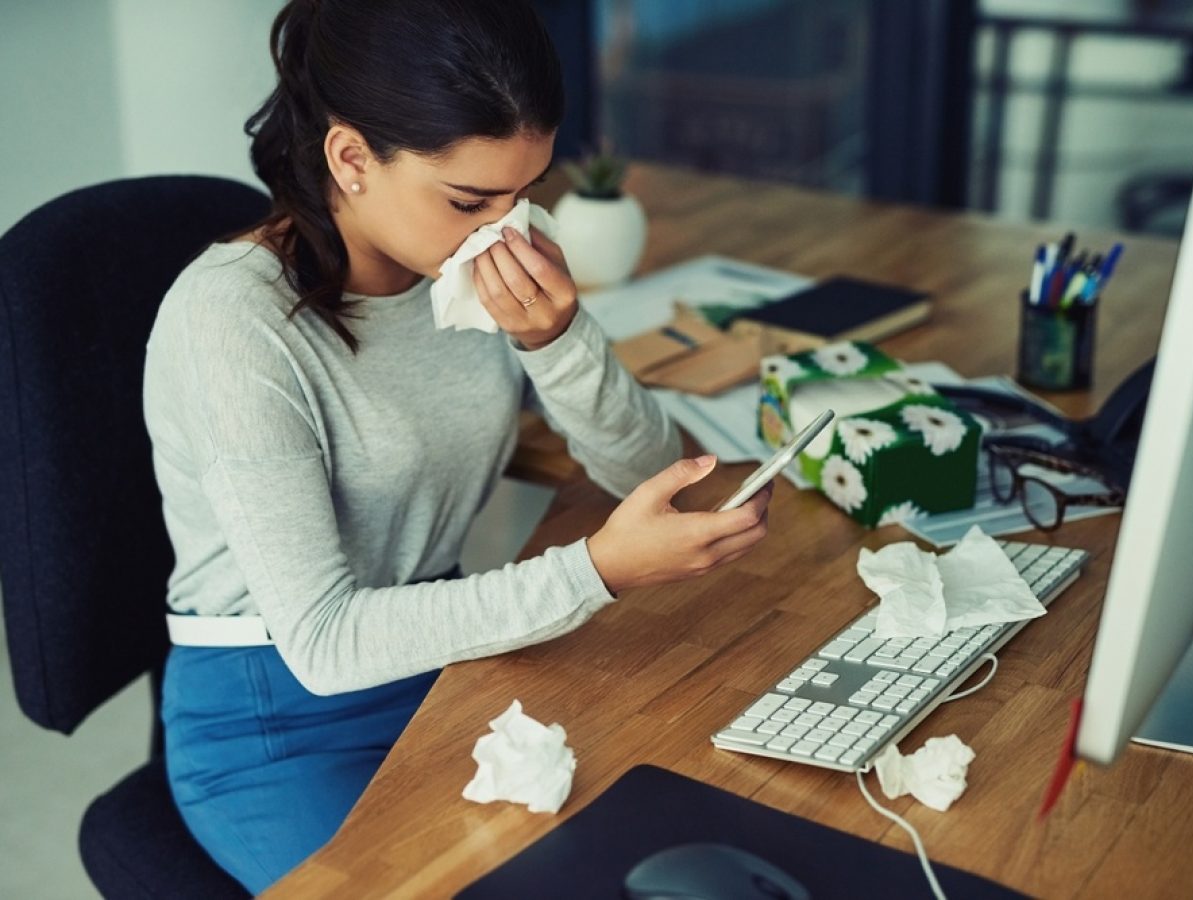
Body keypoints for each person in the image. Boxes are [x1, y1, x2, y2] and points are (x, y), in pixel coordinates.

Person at [143, 0, 772, 892]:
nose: (505, 230)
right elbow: (323, 641)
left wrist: (557, 340)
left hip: (444, 658)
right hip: (278, 712)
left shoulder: (472, 260)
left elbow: (648, 471)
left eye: (526, 193)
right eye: (470, 201)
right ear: (351, 159)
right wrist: (595, 571)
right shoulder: (233, 322)